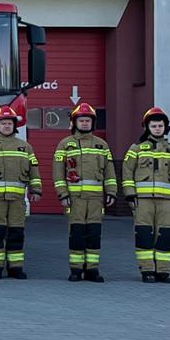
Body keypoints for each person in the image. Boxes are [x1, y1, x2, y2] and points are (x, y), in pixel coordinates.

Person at [0, 106, 42, 280]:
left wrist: (36, 190)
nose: (6, 126)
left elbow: (34, 171)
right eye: (3, 123)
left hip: (17, 201)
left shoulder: (25, 147)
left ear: (14, 126)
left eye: (9, 123)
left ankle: (15, 268)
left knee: (16, 234)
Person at [123, 107, 170, 284]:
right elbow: (127, 172)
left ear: (166, 128)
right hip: (143, 201)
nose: (157, 128)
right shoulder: (136, 149)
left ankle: (163, 270)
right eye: (154, 125)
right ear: (147, 127)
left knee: (166, 235)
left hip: (166, 201)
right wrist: (130, 195)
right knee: (144, 234)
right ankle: (147, 270)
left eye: (160, 125)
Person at [52, 103, 114, 282]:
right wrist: (62, 194)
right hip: (74, 199)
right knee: (77, 233)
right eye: (82, 120)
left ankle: (92, 270)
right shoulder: (65, 145)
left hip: (95, 200)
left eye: (88, 120)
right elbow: (58, 172)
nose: (85, 123)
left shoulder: (102, 145)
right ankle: (76, 270)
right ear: (74, 122)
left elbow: (109, 172)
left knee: (94, 233)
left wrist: (111, 192)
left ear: (92, 123)